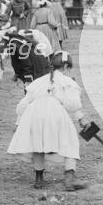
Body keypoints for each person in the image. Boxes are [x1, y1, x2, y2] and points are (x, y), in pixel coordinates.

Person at [7, 51, 87, 191]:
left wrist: (18, 123)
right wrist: (81, 119)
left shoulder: (39, 81)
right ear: (66, 67)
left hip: (34, 112)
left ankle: (39, 179)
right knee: (70, 141)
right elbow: (72, 105)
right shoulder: (68, 82)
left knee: (38, 143)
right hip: (54, 111)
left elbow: (24, 104)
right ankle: (69, 179)